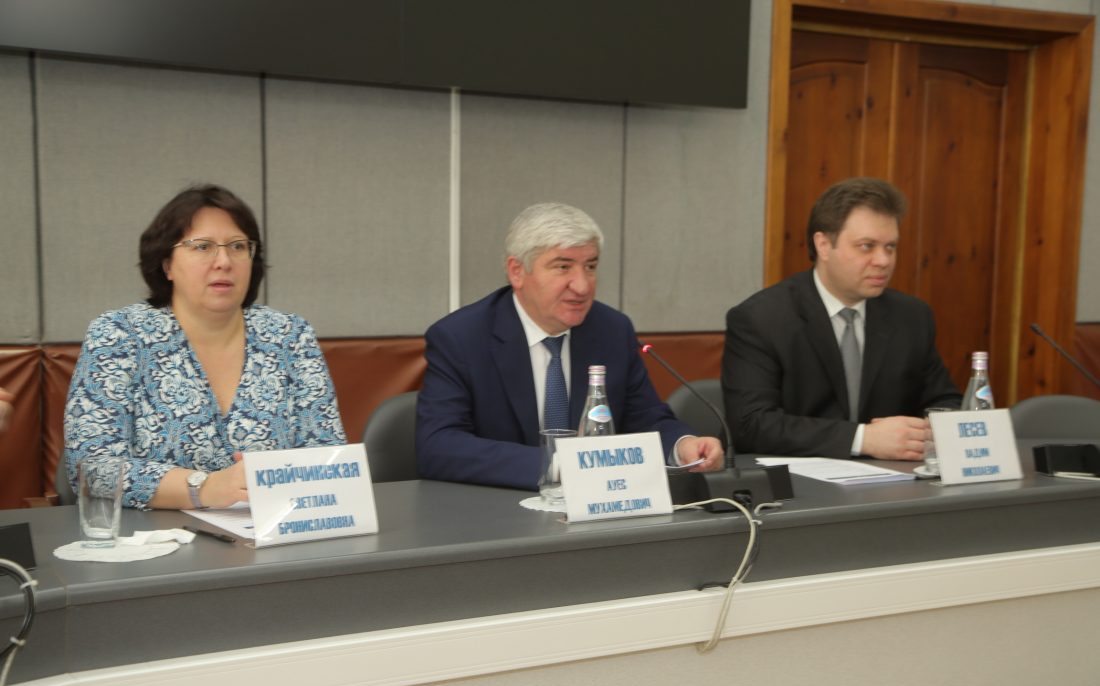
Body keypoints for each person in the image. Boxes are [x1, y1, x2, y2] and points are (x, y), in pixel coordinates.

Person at [64, 184, 346, 509]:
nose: (224, 261)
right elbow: (93, 469)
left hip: (271, 531)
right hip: (154, 535)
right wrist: (204, 487)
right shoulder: (120, 335)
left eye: (237, 246)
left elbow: (328, 458)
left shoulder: (290, 336)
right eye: (202, 247)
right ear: (167, 264)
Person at [416, 202, 724, 489]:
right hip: (495, 510)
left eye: (590, 266)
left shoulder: (612, 330)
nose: (582, 286)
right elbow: (439, 446)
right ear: (517, 271)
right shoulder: (461, 337)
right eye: (563, 267)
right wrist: (561, 465)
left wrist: (682, 446)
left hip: (597, 507)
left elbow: (645, 418)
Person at [722, 178, 960, 460]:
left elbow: (945, 401)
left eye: (890, 247)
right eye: (867, 246)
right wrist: (862, 439)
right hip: (798, 480)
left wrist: (930, 430)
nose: (884, 260)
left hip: (895, 478)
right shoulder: (761, 319)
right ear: (823, 245)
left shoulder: (912, 317)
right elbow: (751, 425)